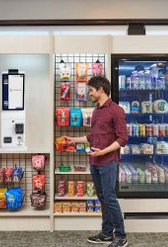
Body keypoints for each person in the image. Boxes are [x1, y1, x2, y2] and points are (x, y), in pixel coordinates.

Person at [64, 76, 128, 247]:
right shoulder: (96, 111)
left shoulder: (116, 110)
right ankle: (107, 233)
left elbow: (123, 138)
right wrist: (73, 140)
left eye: (91, 90)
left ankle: (121, 236)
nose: (89, 93)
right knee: (102, 198)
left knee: (110, 198)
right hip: (95, 163)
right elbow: (93, 136)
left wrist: (103, 152)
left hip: (108, 162)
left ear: (100, 90)